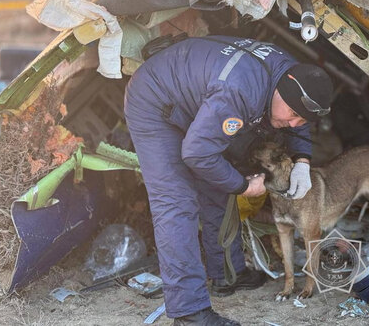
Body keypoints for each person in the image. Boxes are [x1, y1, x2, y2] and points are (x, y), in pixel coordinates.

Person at [124, 35, 333, 325]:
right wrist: (245, 186)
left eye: (303, 119)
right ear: (281, 93)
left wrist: (302, 160)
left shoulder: (289, 73)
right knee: (176, 202)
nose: (294, 124)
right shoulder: (240, 92)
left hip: (196, 96)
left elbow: (297, 118)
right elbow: (197, 154)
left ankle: (227, 274)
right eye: (293, 114)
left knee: (216, 185)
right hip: (155, 100)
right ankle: (189, 313)